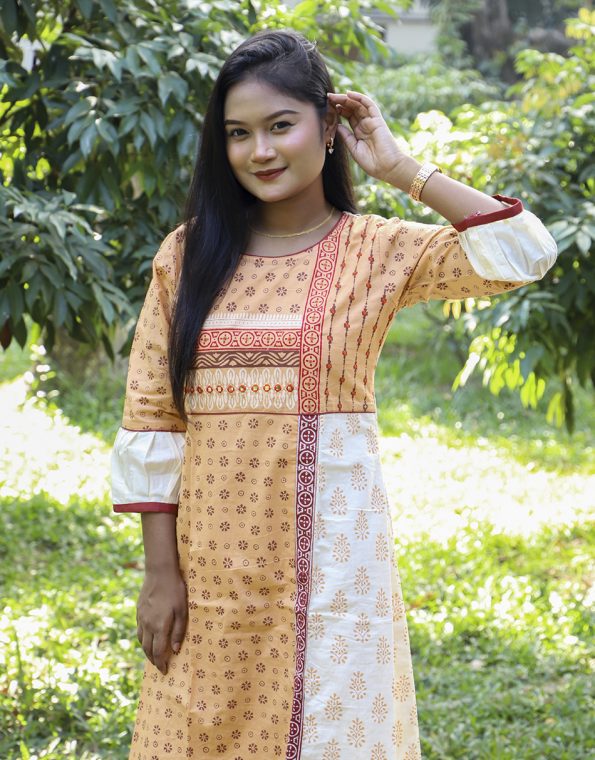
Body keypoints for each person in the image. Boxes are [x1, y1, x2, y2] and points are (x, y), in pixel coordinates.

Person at [110, 28, 557, 760]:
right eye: (238, 133)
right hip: (208, 568)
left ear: (329, 128)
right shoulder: (187, 256)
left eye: (280, 125)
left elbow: (524, 252)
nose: (259, 151)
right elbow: (153, 418)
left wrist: (402, 169)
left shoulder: (376, 249)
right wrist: (160, 573)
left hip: (332, 576)